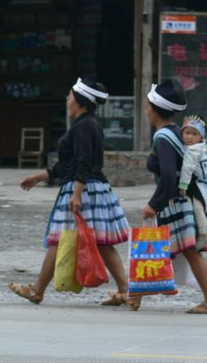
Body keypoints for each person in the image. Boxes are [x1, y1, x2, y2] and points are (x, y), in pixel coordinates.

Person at [8, 77, 130, 305]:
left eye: (71, 95)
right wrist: (39, 177)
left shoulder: (84, 126)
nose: (67, 99)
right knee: (102, 242)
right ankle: (125, 290)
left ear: (81, 101)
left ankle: (37, 290)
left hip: (83, 189)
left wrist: (76, 193)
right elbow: (67, 165)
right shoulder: (89, 123)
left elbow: (83, 162)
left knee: (60, 239)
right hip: (92, 188)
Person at [137, 79, 207, 314]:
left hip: (175, 203)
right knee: (160, 250)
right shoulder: (177, 132)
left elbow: (169, 178)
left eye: (146, 106)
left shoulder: (163, 137)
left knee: (173, 250)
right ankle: (133, 295)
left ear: (153, 109)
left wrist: (153, 204)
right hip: (181, 201)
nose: (145, 111)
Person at [178, 114, 207, 250]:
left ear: (201, 137)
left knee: (198, 207)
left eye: (194, 134)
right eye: (187, 133)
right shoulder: (203, 146)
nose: (190, 137)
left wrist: (183, 186)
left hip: (200, 184)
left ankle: (203, 235)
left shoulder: (191, 151)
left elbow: (187, 169)